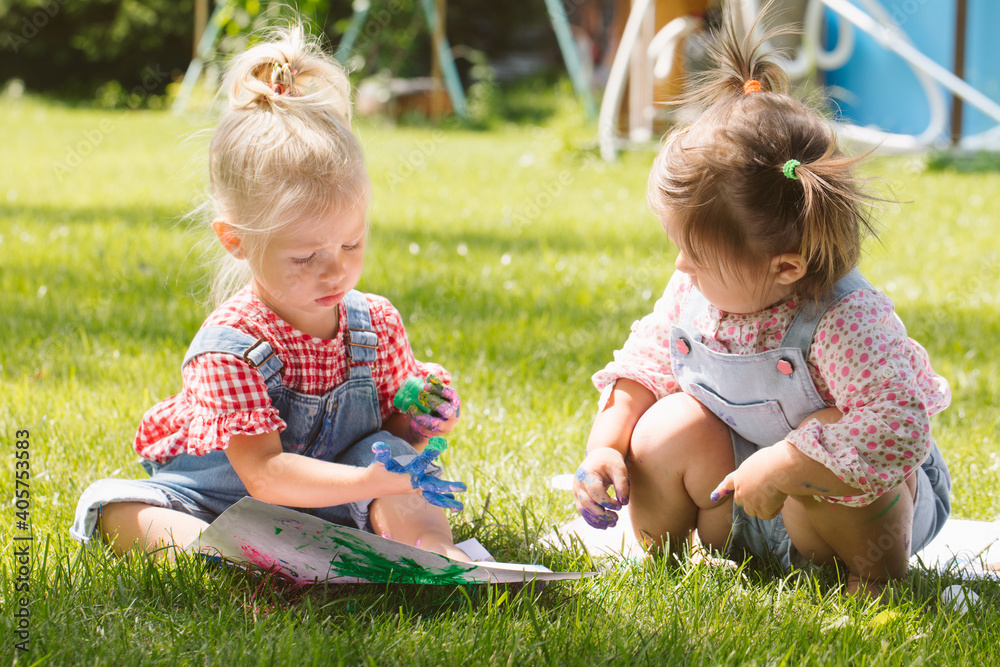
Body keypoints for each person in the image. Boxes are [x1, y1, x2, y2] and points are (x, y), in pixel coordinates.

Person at [572, 11, 951, 596]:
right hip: (744, 503)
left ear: (786, 267)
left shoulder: (845, 320)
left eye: (695, 254)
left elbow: (898, 428)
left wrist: (789, 465)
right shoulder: (699, 289)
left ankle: (872, 578)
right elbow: (645, 362)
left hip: (848, 508)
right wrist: (606, 447)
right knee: (663, 428)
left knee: (832, 428)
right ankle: (665, 562)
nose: (680, 268)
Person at [71, 24, 466, 562]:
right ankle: (245, 557)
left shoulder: (375, 324)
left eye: (351, 243)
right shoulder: (229, 346)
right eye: (305, 257)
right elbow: (265, 474)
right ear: (236, 240)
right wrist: (375, 479)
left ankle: (439, 556)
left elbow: (386, 436)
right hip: (221, 500)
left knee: (393, 457)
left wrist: (417, 419)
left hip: (332, 497)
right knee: (116, 506)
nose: (335, 272)